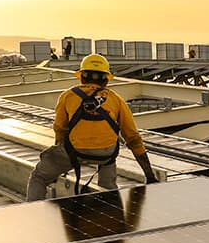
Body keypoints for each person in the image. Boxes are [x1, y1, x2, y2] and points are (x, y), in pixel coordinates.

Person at [26, 53, 158, 200]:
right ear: (106, 80)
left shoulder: (68, 96)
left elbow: (60, 129)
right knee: (108, 180)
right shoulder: (116, 99)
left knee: (39, 177)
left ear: (81, 77)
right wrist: (149, 176)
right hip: (106, 153)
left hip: (75, 151)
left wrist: (58, 160)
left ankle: (33, 211)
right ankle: (111, 202)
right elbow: (133, 138)